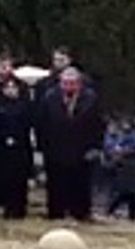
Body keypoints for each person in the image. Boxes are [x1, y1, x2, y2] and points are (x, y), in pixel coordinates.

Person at [37, 67, 104, 221]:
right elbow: (42, 124)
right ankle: (56, 214)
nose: (69, 86)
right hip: (55, 149)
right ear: (60, 83)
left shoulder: (90, 99)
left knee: (80, 184)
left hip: (82, 150)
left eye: (72, 83)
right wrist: (43, 147)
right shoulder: (49, 98)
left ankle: (81, 214)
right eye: (65, 83)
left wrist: (96, 147)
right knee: (56, 184)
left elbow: (98, 125)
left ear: (79, 84)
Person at [0, 77, 34, 219]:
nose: (11, 90)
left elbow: (29, 125)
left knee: (19, 179)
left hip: (21, 148)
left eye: (13, 87)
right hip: (2, 149)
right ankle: (5, 207)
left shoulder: (25, 106)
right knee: (4, 179)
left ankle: (20, 208)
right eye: (8, 87)